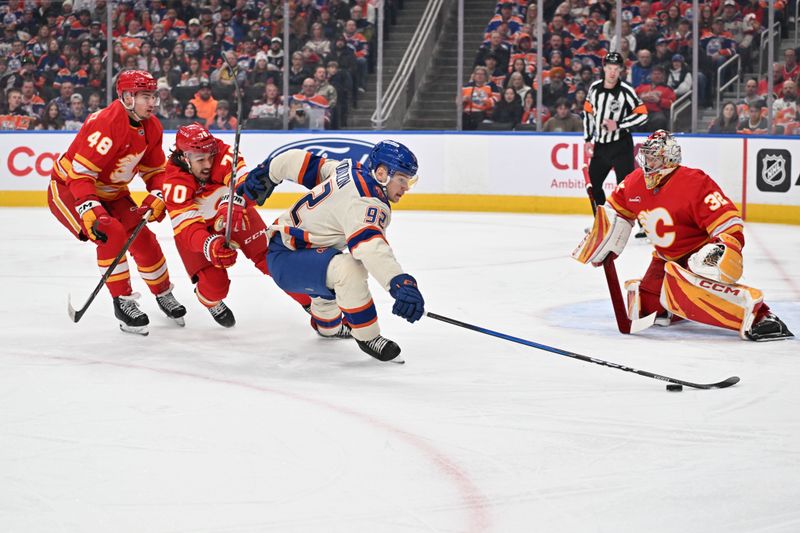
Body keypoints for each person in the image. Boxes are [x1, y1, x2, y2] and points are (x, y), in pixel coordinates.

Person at [573, 130, 793, 342]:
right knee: (648, 306)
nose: (648, 163)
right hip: (664, 258)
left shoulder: (694, 182)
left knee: (693, 281)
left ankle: (760, 316)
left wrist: (722, 249)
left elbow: (728, 221)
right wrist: (600, 237)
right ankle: (676, 306)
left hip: (697, 255)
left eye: (654, 158)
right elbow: (615, 212)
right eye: (646, 157)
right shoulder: (634, 181)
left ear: (669, 160)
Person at [236, 140, 425, 363]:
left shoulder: (349, 169)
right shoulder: (367, 202)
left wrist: (266, 173)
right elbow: (371, 247)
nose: (406, 187)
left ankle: (328, 326)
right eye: (402, 179)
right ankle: (368, 337)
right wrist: (399, 282)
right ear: (382, 173)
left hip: (305, 254)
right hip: (289, 258)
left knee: (330, 286)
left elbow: (295, 161)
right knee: (348, 269)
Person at [47, 70, 186, 335]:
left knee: (142, 236)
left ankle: (162, 293)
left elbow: (155, 172)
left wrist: (158, 195)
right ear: (127, 97)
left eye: (153, 95)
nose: (153, 102)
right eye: (146, 96)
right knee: (110, 231)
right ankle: (122, 301)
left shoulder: (152, 126)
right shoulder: (107, 123)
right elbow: (81, 174)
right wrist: (89, 208)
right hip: (69, 188)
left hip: (112, 192)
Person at [161, 123, 311, 327]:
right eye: (200, 159)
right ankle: (210, 301)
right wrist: (210, 244)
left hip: (236, 214)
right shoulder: (174, 182)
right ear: (185, 158)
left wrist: (236, 198)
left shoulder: (223, 155)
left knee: (274, 260)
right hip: (200, 232)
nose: (208, 164)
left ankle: (316, 309)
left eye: (210, 157)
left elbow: (245, 181)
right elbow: (187, 228)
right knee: (215, 286)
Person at [583, 52, 648, 208]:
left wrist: (618, 124)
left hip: (621, 145)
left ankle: (642, 225)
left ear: (621, 71)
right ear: (604, 68)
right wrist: (587, 139)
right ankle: (602, 220)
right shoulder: (594, 88)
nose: (612, 72)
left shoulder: (625, 91)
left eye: (616, 69)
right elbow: (588, 113)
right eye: (609, 68)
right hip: (601, 146)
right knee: (593, 186)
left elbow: (643, 114)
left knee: (627, 187)